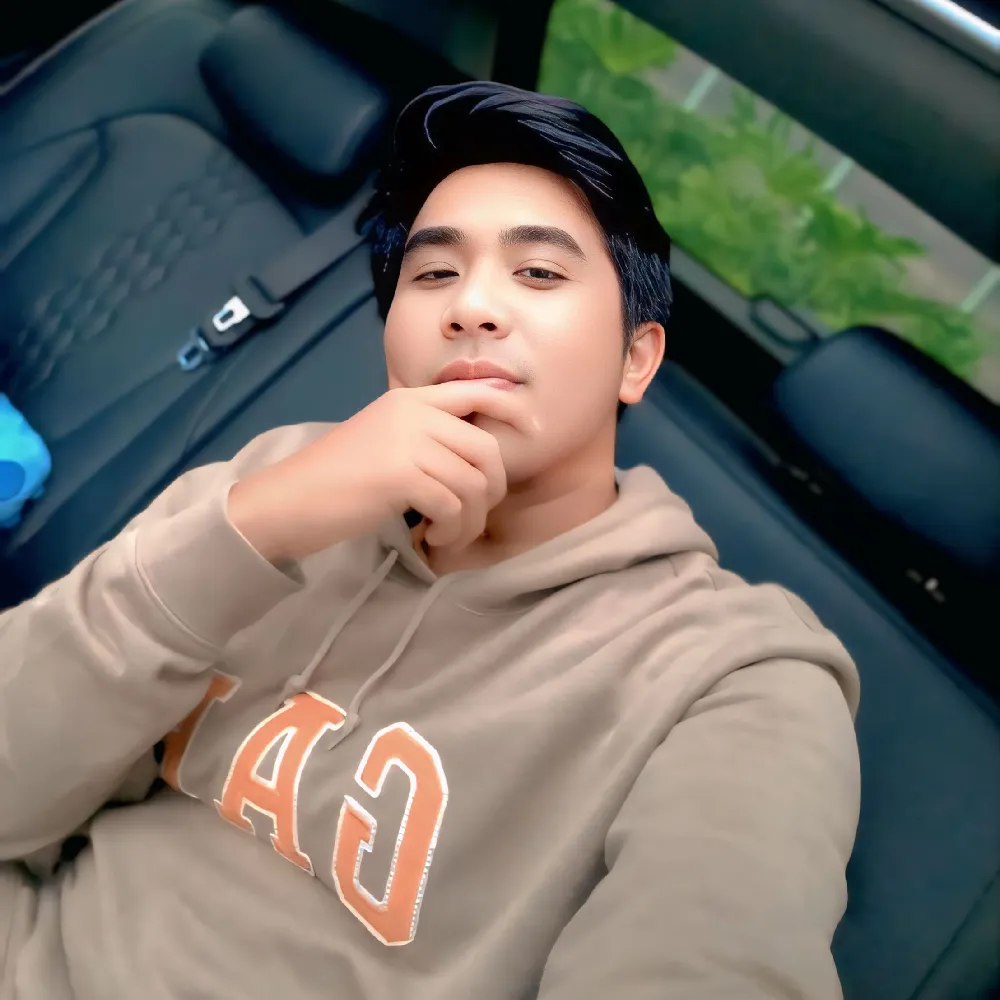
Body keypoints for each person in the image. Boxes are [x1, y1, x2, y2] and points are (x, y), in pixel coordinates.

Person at [0, 81, 860, 1000]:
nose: (472, 306)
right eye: (434, 274)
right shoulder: (280, 480)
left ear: (635, 359)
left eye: (539, 272)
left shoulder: (736, 678)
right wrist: (253, 529)